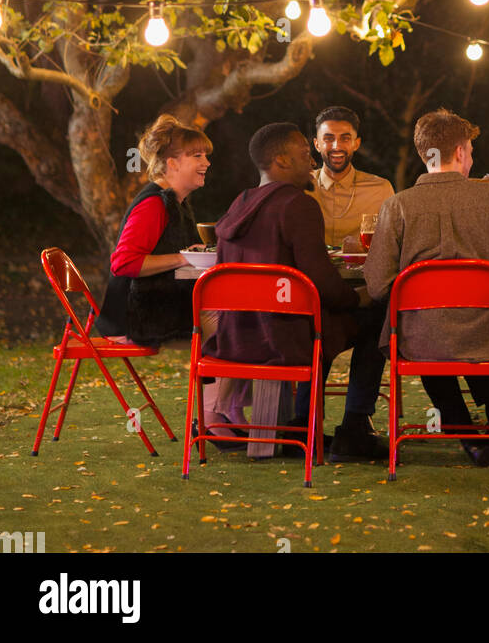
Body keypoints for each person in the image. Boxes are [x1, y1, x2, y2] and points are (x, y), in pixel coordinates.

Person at [364, 107, 489, 465]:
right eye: (470, 149)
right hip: (486, 332)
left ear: (425, 154)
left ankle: (463, 429)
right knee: (471, 333)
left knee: (427, 338)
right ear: (460, 153)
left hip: (420, 337)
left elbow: (377, 285)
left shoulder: (397, 206)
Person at [205, 121, 388, 462]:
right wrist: (359, 296)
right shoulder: (297, 205)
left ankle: (302, 425)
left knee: (322, 319)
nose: (313, 164)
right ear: (282, 161)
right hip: (283, 338)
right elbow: (320, 283)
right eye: (305, 155)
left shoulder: (239, 204)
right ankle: (354, 430)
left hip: (236, 338)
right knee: (376, 316)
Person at [96, 115, 241, 445]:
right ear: (172, 163)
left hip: (156, 303)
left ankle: (225, 412)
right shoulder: (155, 204)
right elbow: (123, 263)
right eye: (197, 155)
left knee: (238, 315)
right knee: (232, 323)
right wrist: (184, 258)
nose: (207, 162)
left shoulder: (176, 201)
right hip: (135, 316)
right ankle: (213, 417)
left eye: (206, 155)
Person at [310, 106, 394, 249]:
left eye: (345, 138)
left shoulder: (381, 189)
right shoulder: (300, 186)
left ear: (356, 144)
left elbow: (392, 245)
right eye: (328, 139)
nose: (337, 146)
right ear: (317, 144)